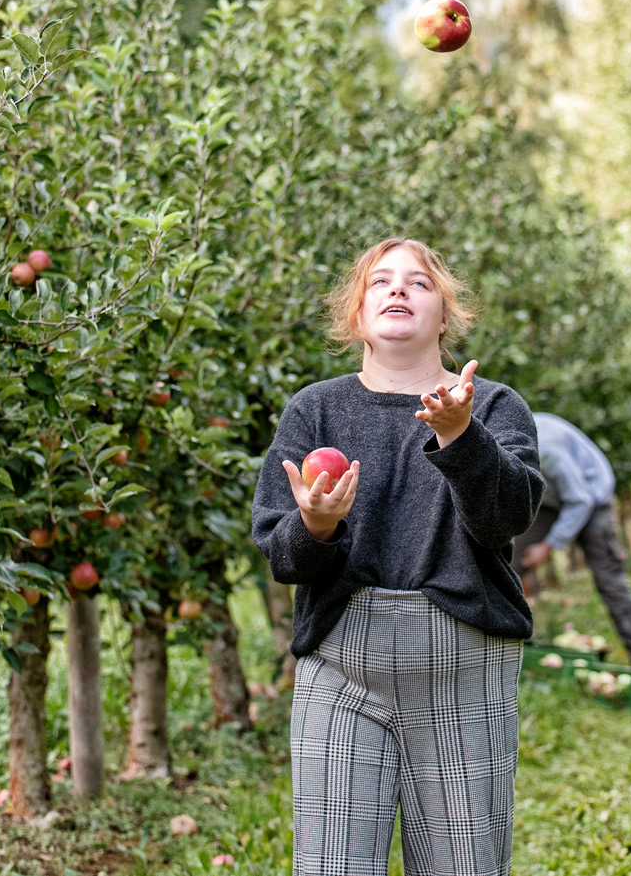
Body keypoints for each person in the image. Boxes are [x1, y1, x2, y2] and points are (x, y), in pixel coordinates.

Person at [252, 237, 543, 876]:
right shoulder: (316, 410)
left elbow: (505, 520)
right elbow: (282, 556)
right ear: (356, 316)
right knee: (333, 862)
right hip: (341, 666)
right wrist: (316, 525)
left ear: (447, 315)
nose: (398, 289)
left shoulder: (492, 408)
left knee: (464, 861)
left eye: (419, 281)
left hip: (462, 663)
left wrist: (460, 436)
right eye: (380, 281)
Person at [513, 412, 631, 689]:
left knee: (610, 583)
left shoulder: (548, 451)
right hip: (549, 499)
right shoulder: (500, 447)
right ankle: (512, 663)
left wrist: (550, 545)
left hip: (590, 499)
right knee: (508, 561)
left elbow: (580, 500)